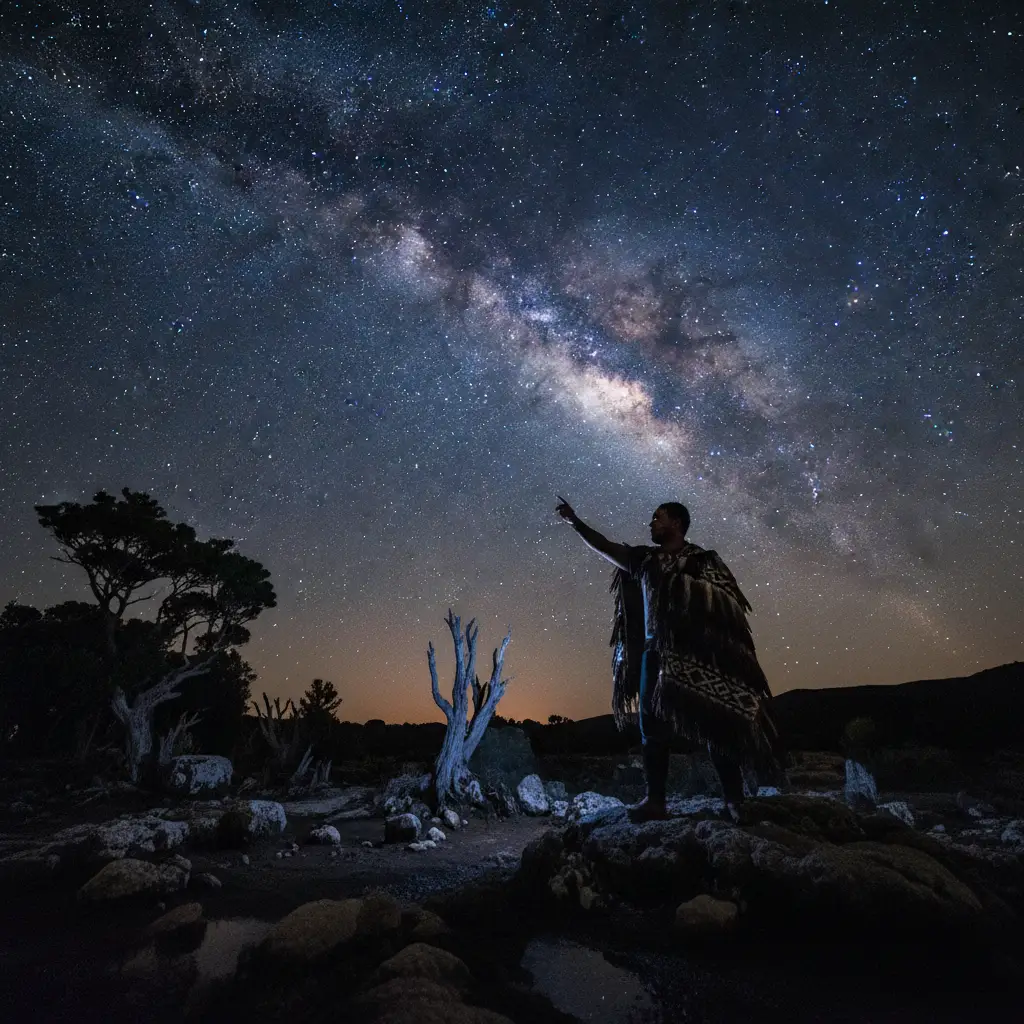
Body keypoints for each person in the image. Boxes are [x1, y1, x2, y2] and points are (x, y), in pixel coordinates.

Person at [555, 497, 781, 823]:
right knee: (651, 726)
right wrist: (575, 521)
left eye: (656, 518)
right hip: (654, 652)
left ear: (675, 523)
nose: (650, 524)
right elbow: (605, 546)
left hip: (696, 652)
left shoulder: (703, 561)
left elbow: (726, 604)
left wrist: (686, 592)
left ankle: (734, 800)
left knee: (715, 721)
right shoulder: (645, 560)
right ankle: (655, 801)